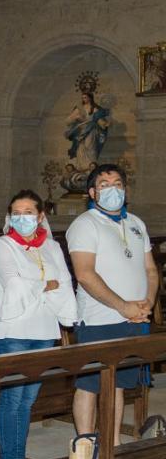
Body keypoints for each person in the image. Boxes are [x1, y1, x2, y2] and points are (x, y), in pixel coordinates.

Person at [65, 163, 156, 442]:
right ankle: (85, 444)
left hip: (133, 318)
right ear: (92, 192)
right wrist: (123, 306)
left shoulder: (136, 223)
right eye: (105, 185)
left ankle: (112, 442)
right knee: (90, 384)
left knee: (117, 384)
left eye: (118, 184)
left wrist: (146, 304)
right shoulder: (85, 224)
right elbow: (85, 274)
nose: (112, 189)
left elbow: (151, 270)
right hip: (99, 319)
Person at [0, 190, 76, 459]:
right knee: (12, 396)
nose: (22, 217)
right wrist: (45, 285)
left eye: (28, 212)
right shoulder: (4, 245)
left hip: (44, 330)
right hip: (12, 330)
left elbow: (64, 283)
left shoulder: (51, 247)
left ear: (40, 216)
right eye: (17, 212)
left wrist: (43, 285)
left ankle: (18, 457)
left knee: (28, 399)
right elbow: (13, 284)